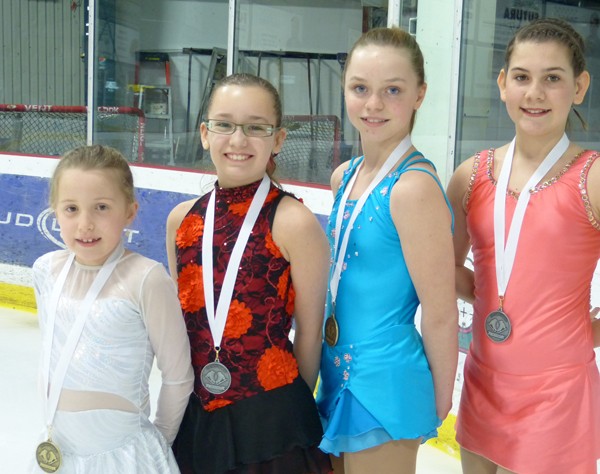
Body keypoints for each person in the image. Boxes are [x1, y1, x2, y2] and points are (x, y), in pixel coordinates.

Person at [447, 18, 600, 474]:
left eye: (552, 78)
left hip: (556, 392)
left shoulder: (592, 177)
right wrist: (492, 297)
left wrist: (586, 331)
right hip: (483, 381)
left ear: (579, 87)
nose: (534, 93)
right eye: (522, 77)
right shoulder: (471, 175)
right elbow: (445, 269)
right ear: (502, 84)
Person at [166, 73, 332, 474]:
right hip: (197, 418)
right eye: (224, 124)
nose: (238, 140)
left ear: (278, 139)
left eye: (256, 128)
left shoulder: (294, 222)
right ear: (205, 134)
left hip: (273, 423)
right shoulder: (181, 221)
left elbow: (310, 333)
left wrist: (290, 415)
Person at [316, 27, 458, 473]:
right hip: (335, 370)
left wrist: (438, 400)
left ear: (420, 95)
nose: (373, 104)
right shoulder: (344, 176)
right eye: (360, 88)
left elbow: (440, 311)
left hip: (385, 381)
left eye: (392, 90)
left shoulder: (412, 188)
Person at [32, 145, 194, 473]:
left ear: (130, 212)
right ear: (55, 211)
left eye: (102, 207)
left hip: (126, 456)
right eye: (71, 208)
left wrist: (158, 444)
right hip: (61, 452)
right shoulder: (46, 271)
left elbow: (178, 376)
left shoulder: (146, 278)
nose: (85, 224)